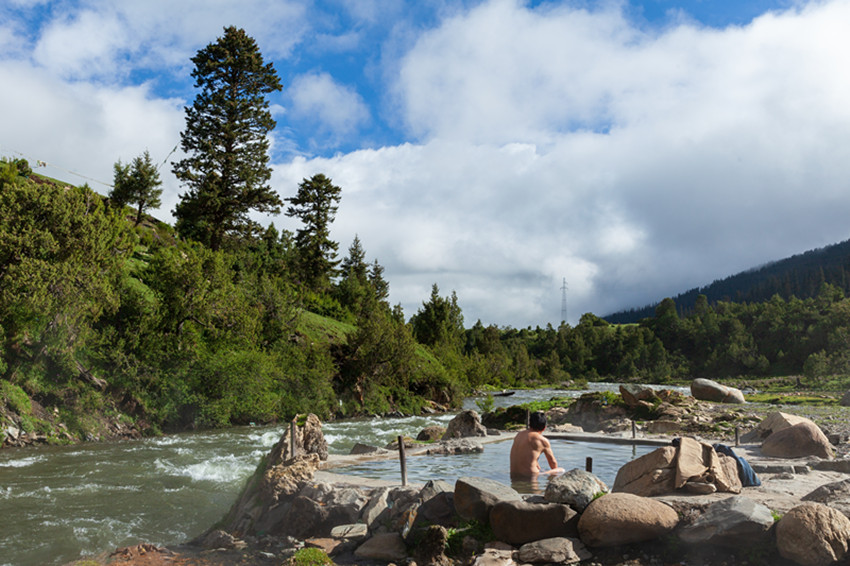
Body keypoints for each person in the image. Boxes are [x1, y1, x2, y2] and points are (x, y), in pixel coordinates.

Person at [509, 411, 564, 476]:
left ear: (529, 424)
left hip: (513, 474)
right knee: (561, 470)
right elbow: (553, 462)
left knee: (537, 464)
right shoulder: (541, 440)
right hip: (531, 477)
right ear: (544, 428)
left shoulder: (519, 435)